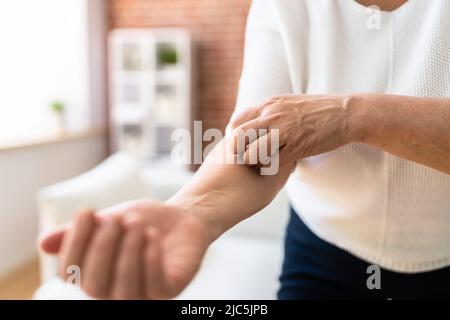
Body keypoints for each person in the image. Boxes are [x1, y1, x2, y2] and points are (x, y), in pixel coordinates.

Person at [40, 0, 450, 299]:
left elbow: (339, 119)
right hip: (324, 248)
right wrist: (190, 211)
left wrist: (353, 116)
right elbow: (257, 149)